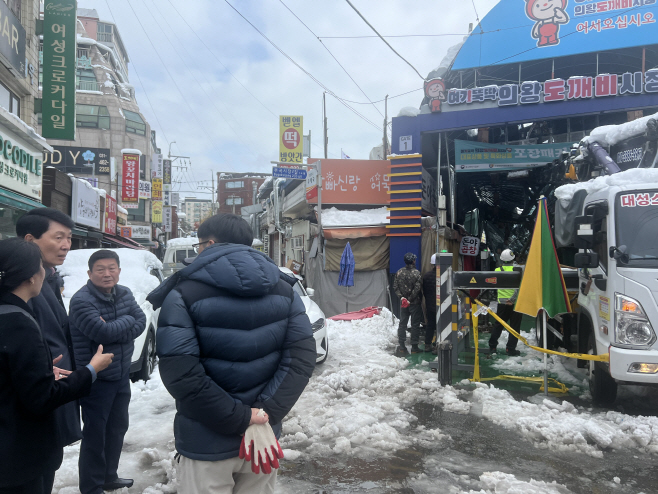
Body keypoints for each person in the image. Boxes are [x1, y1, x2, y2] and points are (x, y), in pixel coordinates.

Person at [147, 213, 316, 494]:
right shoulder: (284, 289)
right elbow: (301, 359)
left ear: (209, 243)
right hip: (262, 439)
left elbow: (182, 372)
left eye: (199, 244)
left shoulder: (183, 292)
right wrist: (262, 414)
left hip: (206, 440)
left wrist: (240, 417)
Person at [0, 238, 113, 494]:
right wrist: (91, 370)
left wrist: (37, 370)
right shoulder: (19, 322)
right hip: (18, 456)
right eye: (40, 266)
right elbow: (42, 399)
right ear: (30, 276)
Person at [69, 250, 146, 494]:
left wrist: (115, 325)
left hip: (121, 374)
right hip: (96, 379)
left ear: (119, 271)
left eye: (112, 268)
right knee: (95, 434)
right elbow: (103, 334)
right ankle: (91, 487)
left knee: (117, 428)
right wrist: (125, 323)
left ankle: (109, 476)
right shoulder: (82, 301)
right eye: (100, 269)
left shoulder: (124, 293)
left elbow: (141, 320)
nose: (107, 273)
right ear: (90, 273)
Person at [16, 208, 83, 448]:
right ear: (30, 240)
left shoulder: (49, 278)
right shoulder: (19, 287)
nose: (66, 245)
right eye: (58, 237)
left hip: (54, 394)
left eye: (69, 238)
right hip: (34, 402)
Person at [489, 249, 522, 356]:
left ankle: (493, 346)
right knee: (514, 327)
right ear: (513, 258)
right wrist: (512, 299)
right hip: (515, 303)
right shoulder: (517, 270)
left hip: (502, 303)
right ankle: (510, 349)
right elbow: (520, 286)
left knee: (498, 325)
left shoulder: (497, 271)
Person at [393, 252, 423, 355]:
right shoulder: (417, 273)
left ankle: (402, 346)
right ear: (413, 261)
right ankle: (414, 347)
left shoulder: (399, 272)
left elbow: (395, 287)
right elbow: (417, 289)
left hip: (403, 304)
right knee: (415, 324)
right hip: (415, 303)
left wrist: (402, 298)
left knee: (402, 324)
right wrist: (410, 299)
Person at [422, 254, 437, 352]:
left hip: (430, 305)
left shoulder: (426, 276)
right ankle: (437, 345)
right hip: (442, 306)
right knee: (441, 326)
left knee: (430, 325)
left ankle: (427, 344)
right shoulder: (446, 275)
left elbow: (424, 291)